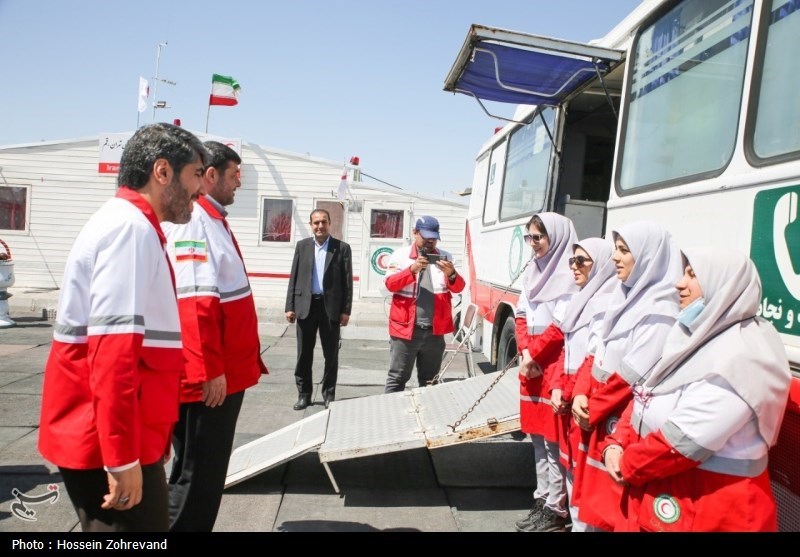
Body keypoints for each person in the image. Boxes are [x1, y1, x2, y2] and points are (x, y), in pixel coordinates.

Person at [37, 123, 207, 532]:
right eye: (197, 174)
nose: (200, 189)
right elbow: (112, 354)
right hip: (108, 441)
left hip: (122, 434)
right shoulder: (130, 230)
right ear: (162, 171)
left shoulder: (130, 224)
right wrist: (121, 457)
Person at [602, 248, 791, 532]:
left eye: (693, 275)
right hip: (670, 496)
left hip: (717, 512)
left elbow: (683, 442)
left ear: (723, 285)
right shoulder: (691, 335)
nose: (679, 284)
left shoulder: (743, 357)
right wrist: (615, 443)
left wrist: (626, 463)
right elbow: (646, 393)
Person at [163, 141, 269, 531]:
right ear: (210, 175)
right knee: (197, 478)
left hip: (221, 373)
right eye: (235, 173)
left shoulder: (212, 219)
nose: (240, 181)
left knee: (202, 476)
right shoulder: (195, 221)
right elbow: (195, 303)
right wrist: (208, 371)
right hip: (209, 381)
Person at [570, 221, 681, 532]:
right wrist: (580, 394)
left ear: (647, 256)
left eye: (624, 250)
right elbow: (596, 353)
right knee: (590, 505)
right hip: (598, 413)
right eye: (615, 249)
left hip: (617, 420)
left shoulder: (660, 311)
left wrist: (592, 409)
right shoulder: (622, 296)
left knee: (609, 510)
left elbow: (632, 375)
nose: (615, 257)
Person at [513, 213, 578, 533]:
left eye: (538, 237)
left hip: (553, 369)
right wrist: (526, 352)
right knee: (537, 439)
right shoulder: (533, 272)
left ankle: (556, 507)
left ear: (557, 238)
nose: (533, 244)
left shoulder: (570, 276)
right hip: (533, 368)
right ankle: (542, 498)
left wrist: (533, 355)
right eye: (529, 237)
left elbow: (560, 327)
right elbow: (520, 315)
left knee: (554, 444)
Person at [551, 237, 616, 532]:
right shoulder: (581, 300)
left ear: (600, 264)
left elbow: (592, 359)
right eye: (572, 260)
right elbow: (566, 351)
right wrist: (557, 386)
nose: (574, 267)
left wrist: (570, 392)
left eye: (581, 261)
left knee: (585, 482)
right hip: (570, 399)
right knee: (571, 473)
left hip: (585, 403)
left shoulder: (606, 305)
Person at [384, 216, 465, 393]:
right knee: (397, 378)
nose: (430, 242)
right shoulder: (401, 255)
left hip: (434, 332)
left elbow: (459, 287)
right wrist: (412, 270)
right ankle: (390, 410)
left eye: (434, 238)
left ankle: (425, 411)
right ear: (415, 233)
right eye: (426, 237)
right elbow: (390, 284)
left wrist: (452, 274)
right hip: (405, 330)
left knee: (430, 382)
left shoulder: (446, 257)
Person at [285, 209, 353, 410]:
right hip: (305, 306)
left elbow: (347, 282)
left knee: (331, 355)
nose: (320, 226)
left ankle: (329, 394)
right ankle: (304, 394)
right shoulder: (302, 246)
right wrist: (290, 306)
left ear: (329, 223)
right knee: (303, 354)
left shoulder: (341, 248)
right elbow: (294, 277)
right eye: (316, 223)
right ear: (311, 225)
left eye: (324, 222)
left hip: (330, 308)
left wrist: (346, 310)